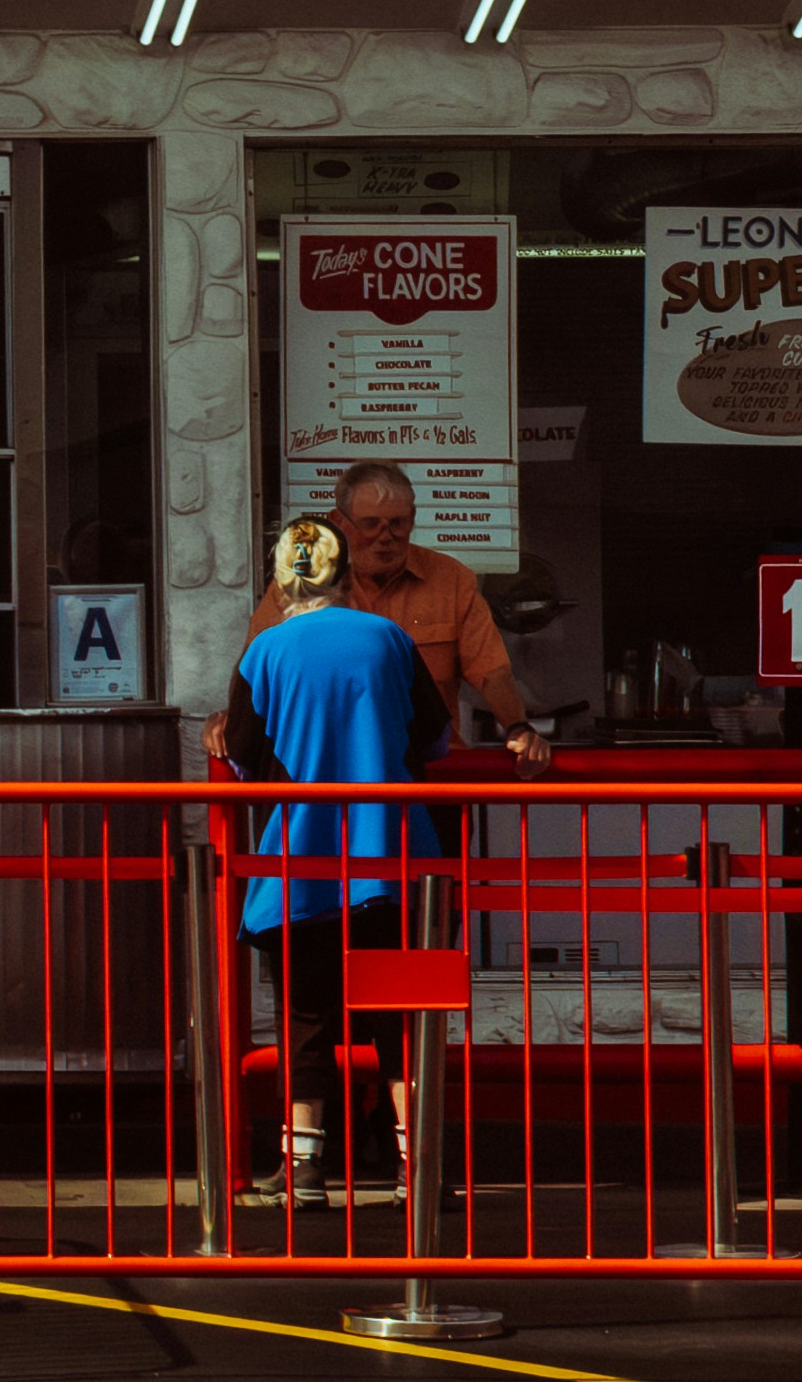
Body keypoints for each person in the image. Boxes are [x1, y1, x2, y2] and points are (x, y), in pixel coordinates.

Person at [214, 514, 437, 1205]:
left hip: (300, 863)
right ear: (345, 580)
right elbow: (430, 736)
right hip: (394, 859)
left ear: (282, 587)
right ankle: (417, 1168)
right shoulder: (390, 637)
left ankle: (304, 1170)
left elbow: (246, 753)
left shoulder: (264, 651)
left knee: (304, 1016)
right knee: (403, 1018)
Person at [327, 459, 553, 767]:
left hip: (431, 776)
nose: (385, 536)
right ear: (339, 522)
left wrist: (517, 726)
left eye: (397, 523)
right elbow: (256, 671)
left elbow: (491, 671)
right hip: (335, 777)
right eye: (370, 524)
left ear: (413, 519)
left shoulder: (451, 580)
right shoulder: (307, 584)